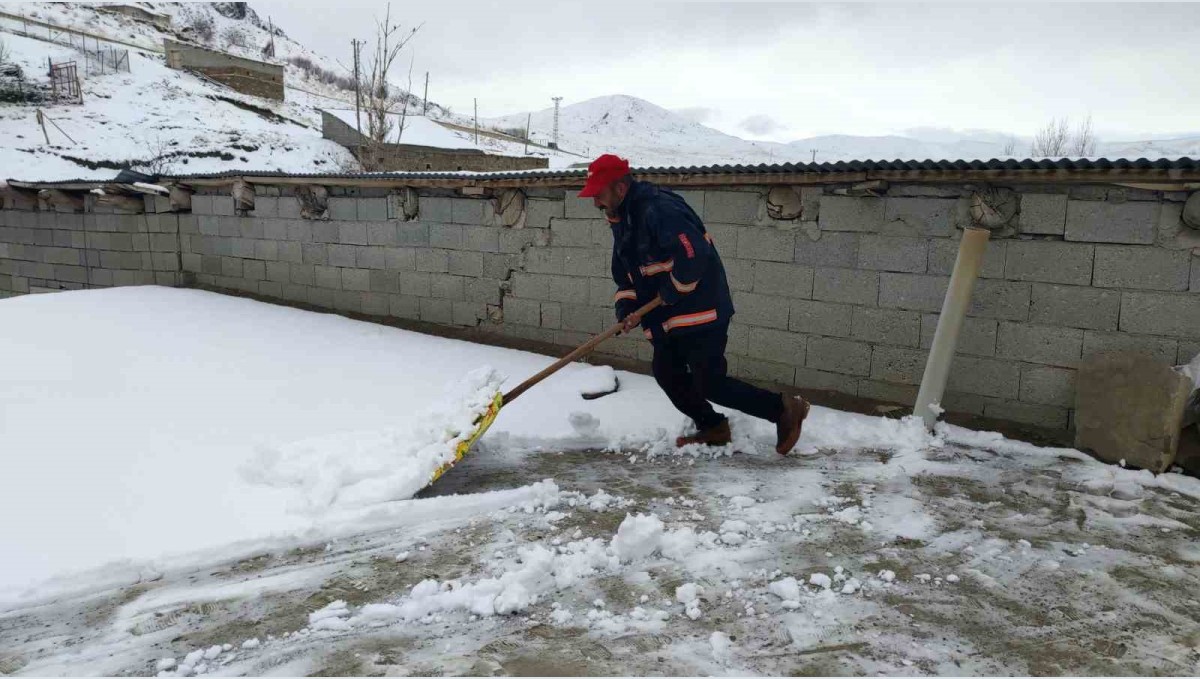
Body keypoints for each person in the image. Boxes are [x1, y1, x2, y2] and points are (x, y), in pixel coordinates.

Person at [578, 154, 810, 453]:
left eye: (599, 194)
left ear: (620, 189)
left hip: (701, 309)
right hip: (667, 316)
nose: (596, 202)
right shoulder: (622, 220)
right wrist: (626, 309)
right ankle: (713, 427)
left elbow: (694, 256)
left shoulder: (659, 209)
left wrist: (671, 291)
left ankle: (784, 410)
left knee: (709, 381)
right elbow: (625, 276)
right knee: (667, 373)